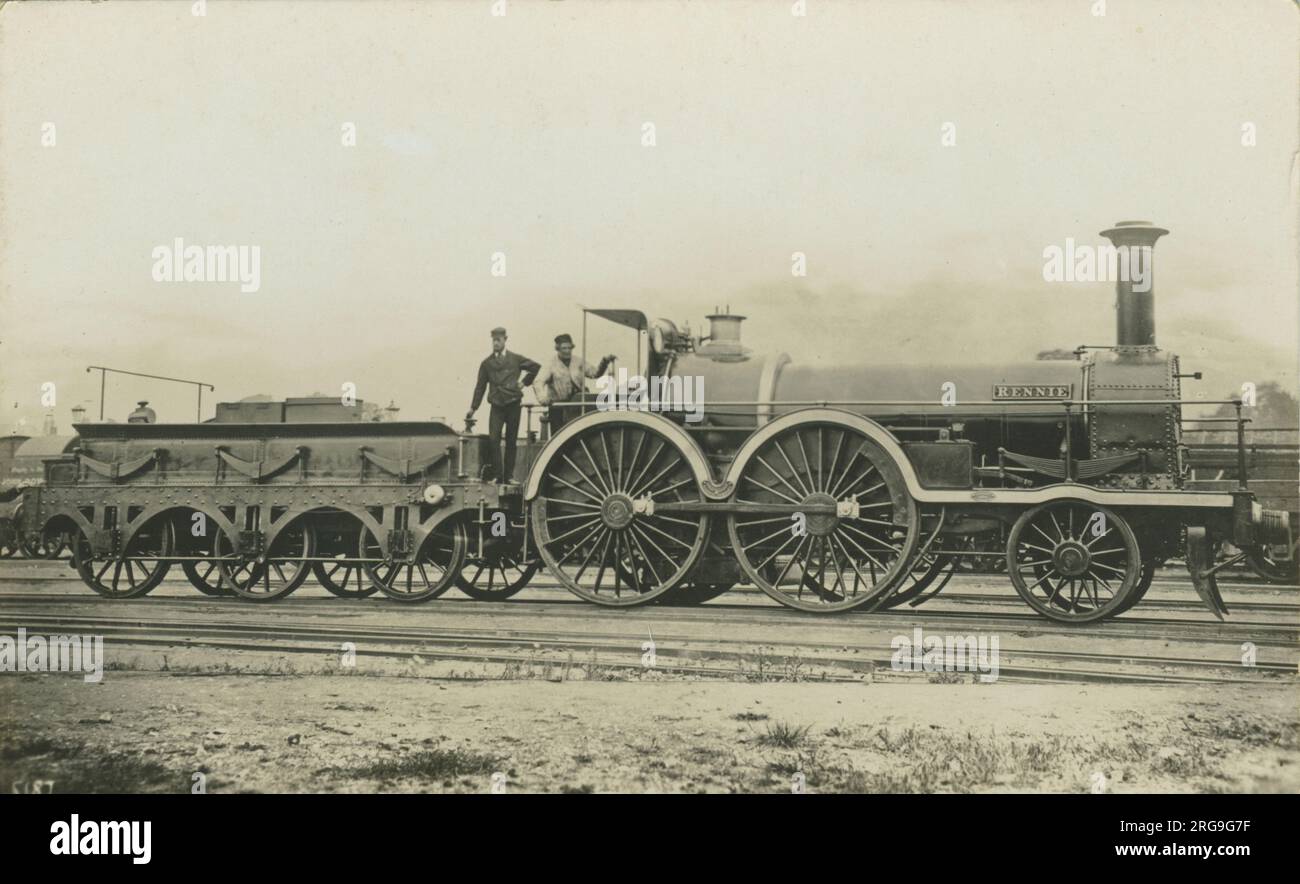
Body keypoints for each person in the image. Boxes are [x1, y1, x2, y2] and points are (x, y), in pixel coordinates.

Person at [466, 327, 540, 483]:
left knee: (511, 441)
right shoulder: (487, 363)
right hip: (497, 405)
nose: (496, 343)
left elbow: (535, 367)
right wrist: (473, 408)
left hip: (513, 403)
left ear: (505, 340)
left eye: (498, 340)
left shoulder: (515, 359)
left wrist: (523, 383)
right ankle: (498, 476)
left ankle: (509, 476)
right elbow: (480, 387)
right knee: (494, 439)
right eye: (493, 340)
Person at [534, 334, 615, 432]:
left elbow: (594, 373)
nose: (567, 351)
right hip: (559, 406)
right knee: (559, 435)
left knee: (582, 431)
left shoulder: (578, 361)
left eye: (569, 348)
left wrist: (605, 362)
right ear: (557, 349)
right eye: (564, 348)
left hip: (578, 404)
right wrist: (543, 399)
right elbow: (538, 382)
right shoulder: (550, 364)